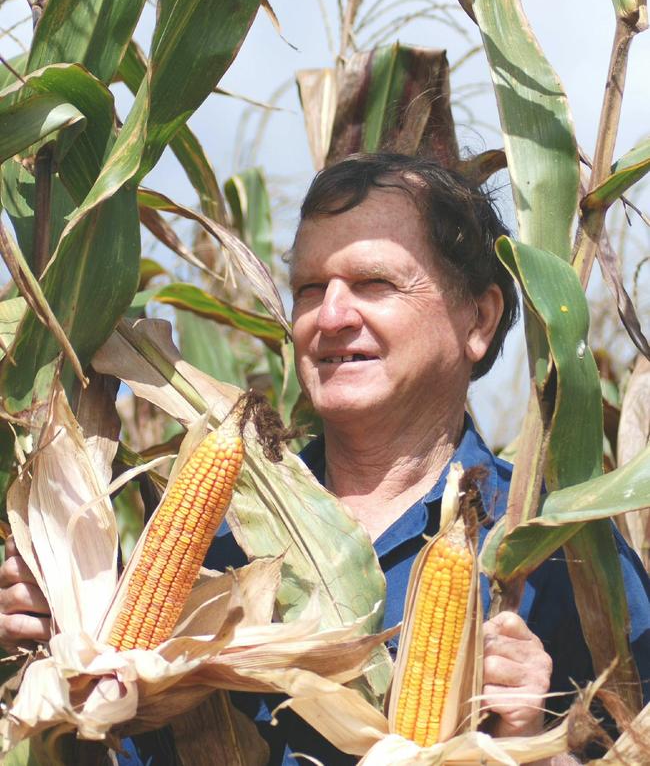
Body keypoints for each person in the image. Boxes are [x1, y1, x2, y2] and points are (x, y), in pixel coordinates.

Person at [1, 154, 648, 766]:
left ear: (479, 317)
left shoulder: (567, 553)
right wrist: (55, 644)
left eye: (374, 282)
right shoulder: (219, 548)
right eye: (310, 288)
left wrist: (532, 738)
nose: (330, 316)